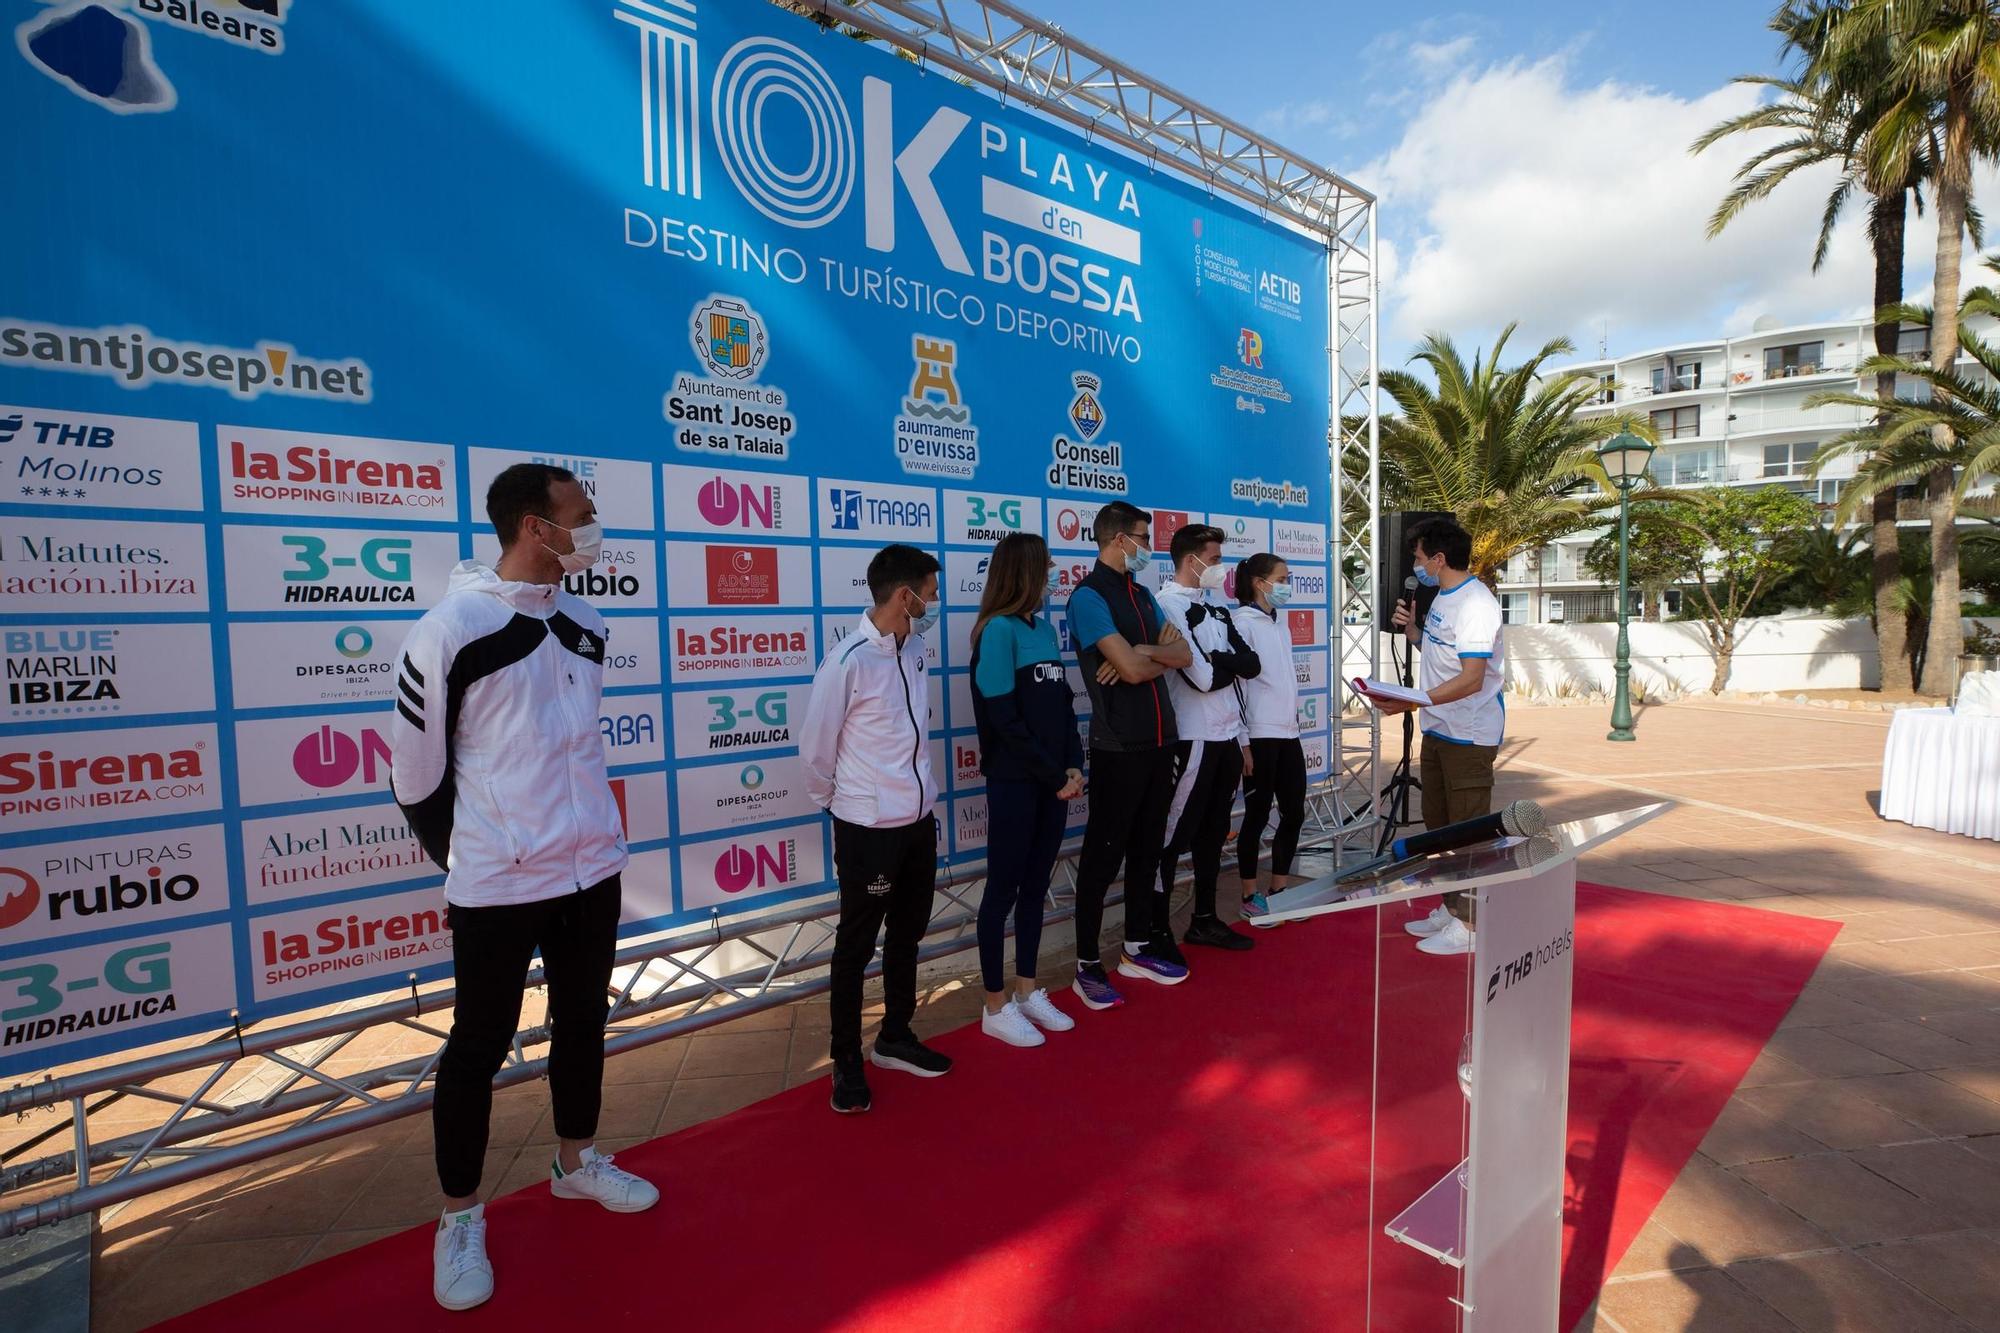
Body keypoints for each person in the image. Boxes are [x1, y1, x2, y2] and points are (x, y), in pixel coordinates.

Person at [391, 462, 658, 1313]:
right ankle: (459, 1216)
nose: (594, 523)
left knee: (583, 1021)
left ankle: (575, 1163)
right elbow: (416, 778)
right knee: (477, 1045)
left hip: (591, 871)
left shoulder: (586, 619)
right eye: (583, 513)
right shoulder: (449, 629)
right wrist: (473, 855)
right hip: (498, 885)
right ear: (537, 528)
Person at [802, 543, 952, 1112]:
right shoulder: (847, 663)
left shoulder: (915, 648)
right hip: (868, 830)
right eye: (932, 594)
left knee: (908, 935)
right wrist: (845, 808)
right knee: (855, 947)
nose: (936, 603)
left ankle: (895, 1036)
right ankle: (846, 1061)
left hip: (918, 824)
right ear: (905, 595)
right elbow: (816, 752)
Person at [1066, 501, 1194, 1010]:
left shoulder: (1142, 593)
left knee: (1147, 851)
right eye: (1144, 536)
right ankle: (1086, 965)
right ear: (1119, 539)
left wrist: (1137, 653)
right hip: (1119, 746)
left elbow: (1182, 655)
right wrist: (1140, 658)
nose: (1151, 546)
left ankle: (1136, 947)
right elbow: (1139, 668)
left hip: (1162, 742)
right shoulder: (1088, 596)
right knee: (1103, 858)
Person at [968, 532, 1085, 1047]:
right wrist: (1053, 773)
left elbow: (1060, 708)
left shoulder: (1042, 629)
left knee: (1037, 889)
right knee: (1003, 892)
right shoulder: (997, 632)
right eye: (1050, 566)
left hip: (1052, 785)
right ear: (1026, 572)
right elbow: (1004, 722)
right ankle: (994, 1005)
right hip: (1017, 784)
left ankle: (1027, 991)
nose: (1056, 574)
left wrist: (1075, 764)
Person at [1382, 516, 1506, 957]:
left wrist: (1413, 701)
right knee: (1439, 828)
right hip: (1439, 729)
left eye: (1418, 557)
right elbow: (1441, 657)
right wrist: (1414, 632)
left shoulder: (1475, 604)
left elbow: (1472, 679)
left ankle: (1472, 925)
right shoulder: (1441, 598)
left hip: (1469, 736)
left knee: (1467, 835)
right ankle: (1452, 907)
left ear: (1438, 558)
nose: (1415, 565)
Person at [1153, 524, 1261, 951]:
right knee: (1172, 835)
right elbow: (1203, 677)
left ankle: (1204, 918)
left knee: (1214, 835)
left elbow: (1250, 666)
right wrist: (1225, 662)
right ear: (1190, 560)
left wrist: (1224, 661)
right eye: (1215, 561)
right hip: (1193, 736)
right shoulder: (1166, 606)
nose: (1221, 569)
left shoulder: (1216, 607)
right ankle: (1154, 928)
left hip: (1229, 736)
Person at [1233, 551, 1308, 922]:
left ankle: (1278, 889)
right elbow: (1235, 687)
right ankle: (1250, 893)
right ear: (1259, 583)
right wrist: (1243, 738)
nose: (1287, 586)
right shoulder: (1241, 623)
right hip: (1259, 735)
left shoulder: (1279, 623)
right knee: (1257, 815)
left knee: (1294, 811)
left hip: (1288, 733)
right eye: (1281, 580)